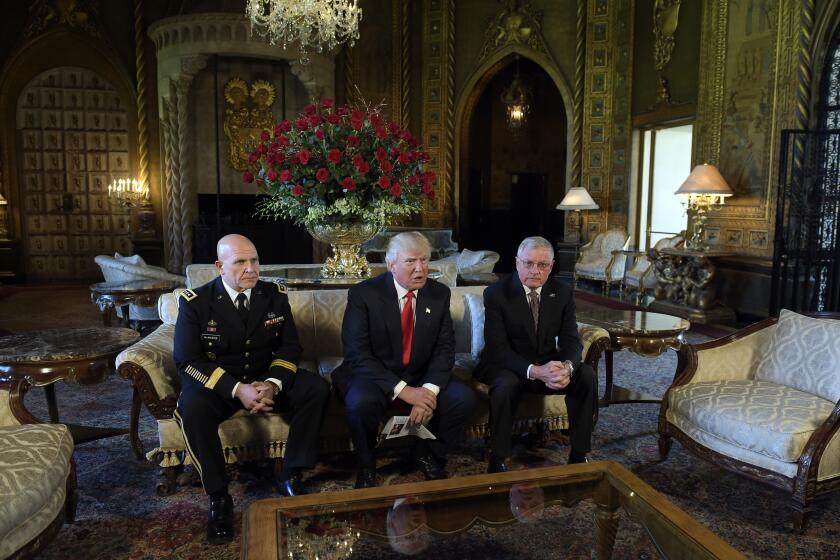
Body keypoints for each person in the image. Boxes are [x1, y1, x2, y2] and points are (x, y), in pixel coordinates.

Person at [173, 234, 330, 545]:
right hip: (220, 385)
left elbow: (289, 347)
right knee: (191, 408)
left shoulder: (274, 296)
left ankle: (292, 472)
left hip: (264, 379)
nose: (251, 268)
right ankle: (219, 498)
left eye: (254, 260)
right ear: (220, 266)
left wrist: (271, 384)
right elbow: (187, 360)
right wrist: (237, 389)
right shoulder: (196, 302)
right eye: (240, 262)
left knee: (316, 389)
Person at [332, 231, 477, 488]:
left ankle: (426, 454)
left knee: (463, 399)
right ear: (391, 265)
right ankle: (367, 465)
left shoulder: (438, 294)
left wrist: (428, 392)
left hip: (421, 373)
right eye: (411, 261)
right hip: (374, 375)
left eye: (424, 260)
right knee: (361, 402)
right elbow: (358, 354)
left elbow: (445, 349)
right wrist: (405, 392)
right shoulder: (364, 295)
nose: (420, 269)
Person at [475, 236, 597, 472]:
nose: (535, 271)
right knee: (506, 384)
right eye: (529, 263)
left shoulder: (561, 292)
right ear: (517, 263)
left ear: (551, 267)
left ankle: (579, 454)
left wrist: (566, 368)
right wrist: (535, 371)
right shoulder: (497, 293)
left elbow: (572, 341)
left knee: (587, 376)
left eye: (542, 265)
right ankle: (498, 456)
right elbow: (497, 349)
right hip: (507, 365)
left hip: (547, 365)